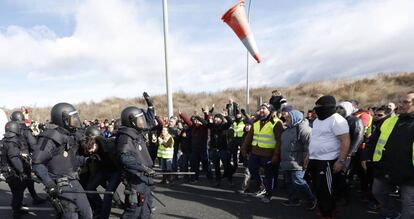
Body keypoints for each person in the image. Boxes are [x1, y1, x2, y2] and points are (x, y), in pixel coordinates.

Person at [32, 103, 92, 218]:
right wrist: (50, 184)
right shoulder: (50, 137)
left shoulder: (70, 136)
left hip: (73, 179)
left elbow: (70, 160)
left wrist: (87, 160)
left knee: (87, 213)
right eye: (72, 118)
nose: (76, 121)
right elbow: (37, 163)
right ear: (63, 119)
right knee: (71, 215)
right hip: (60, 182)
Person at [368, 92, 414, 219]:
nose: (400, 105)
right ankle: (391, 213)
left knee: (409, 207)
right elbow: (374, 140)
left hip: (411, 175)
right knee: (377, 192)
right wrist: (366, 156)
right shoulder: (389, 121)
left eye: (405, 102)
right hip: (386, 168)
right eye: (400, 101)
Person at [307, 95, 350, 219]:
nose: (316, 109)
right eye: (316, 106)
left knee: (325, 190)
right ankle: (328, 209)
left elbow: (345, 141)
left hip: (328, 160)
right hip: (315, 159)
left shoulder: (337, 120)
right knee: (316, 187)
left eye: (319, 106)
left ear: (328, 107)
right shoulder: (316, 121)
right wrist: (308, 156)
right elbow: (314, 140)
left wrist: (341, 161)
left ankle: (328, 214)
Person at [117, 92, 156, 219]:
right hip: (136, 180)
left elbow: (149, 122)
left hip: (145, 179)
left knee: (146, 211)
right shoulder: (126, 137)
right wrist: (143, 168)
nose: (142, 122)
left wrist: (150, 105)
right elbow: (125, 158)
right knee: (134, 212)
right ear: (132, 122)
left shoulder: (137, 132)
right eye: (139, 119)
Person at [241, 103, 283, 203]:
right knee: (252, 169)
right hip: (255, 152)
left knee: (269, 175)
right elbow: (248, 138)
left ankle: (269, 194)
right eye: (260, 109)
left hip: (268, 154)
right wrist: (244, 148)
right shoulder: (256, 122)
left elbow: (279, 141)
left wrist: (276, 156)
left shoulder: (277, 123)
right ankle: (261, 185)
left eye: (264, 108)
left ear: (270, 111)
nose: (261, 110)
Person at [279, 110, 316, 210]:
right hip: (287, 161)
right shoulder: (287, 130)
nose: (286, 119)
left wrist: (306, 159)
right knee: (289, 182)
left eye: (289, 117)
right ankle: (293, 200)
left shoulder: (304, 129)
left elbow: (310, 146)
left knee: (298, 181)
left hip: (298, 162)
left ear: (295, 118)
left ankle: (311, 199)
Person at [83, 126, 121, 219]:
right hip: (103, 170)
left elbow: (119, 160)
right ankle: (100, 207)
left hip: (115, 171)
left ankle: (104, 216)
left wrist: (124, 175)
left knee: (108, 194)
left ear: (95, 143)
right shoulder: (90, 148)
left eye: (91, 149)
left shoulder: (109, 145)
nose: (90, 152)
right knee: (89, 189)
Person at [9, 111, 46, 204]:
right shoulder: (26, 130)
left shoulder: (10, 129)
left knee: (22, 180)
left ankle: (28, 198)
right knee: (25, 180)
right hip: (24, 159)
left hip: (13, 158)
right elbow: (33, 145)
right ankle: (17, 204)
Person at [335, 101, 364, 204]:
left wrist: (349, 154)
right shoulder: (340, 121)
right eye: (337, 108)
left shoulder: (355, 121)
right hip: (339, 152)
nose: (338, 110)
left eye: (341, 108)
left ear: (347, 109)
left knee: (344, 175)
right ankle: (338, 194)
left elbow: (358, 138)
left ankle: (345, 198)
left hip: (348, 154)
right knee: (338, 175)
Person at [2, 121, 30, 218]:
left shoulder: (5, 140)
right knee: (18, 191)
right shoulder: (12, 141)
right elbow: (14, 158)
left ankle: (18, 206)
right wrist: (22, 171)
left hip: (8, 171)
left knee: (17, 191)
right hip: (13, 172)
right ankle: (16, 211)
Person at [179, 110, 212, 182]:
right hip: (194, 150)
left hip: (203, 150)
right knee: (194, 165)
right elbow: (188, 121)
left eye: (198, 121)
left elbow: (206, 122)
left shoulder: (204, 128)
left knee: (206, 164)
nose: (196, 122)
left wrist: (204, 115)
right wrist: (181, 114)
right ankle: (195, 178)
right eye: (195, 121)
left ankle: (210, 177)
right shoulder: (192, 127)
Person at [206, 113, 233, 187]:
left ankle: (229, 180)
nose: (216, 119)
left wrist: (226, 116)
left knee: (226, 165)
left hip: (223, 149)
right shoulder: (212, 126)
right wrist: (206, 114)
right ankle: (218, 181)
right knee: (216, 166)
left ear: (221, 120)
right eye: (215, 118)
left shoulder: (224, 126)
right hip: (214, 149)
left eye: (217, 118)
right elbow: (205, 122)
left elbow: (230, 122)